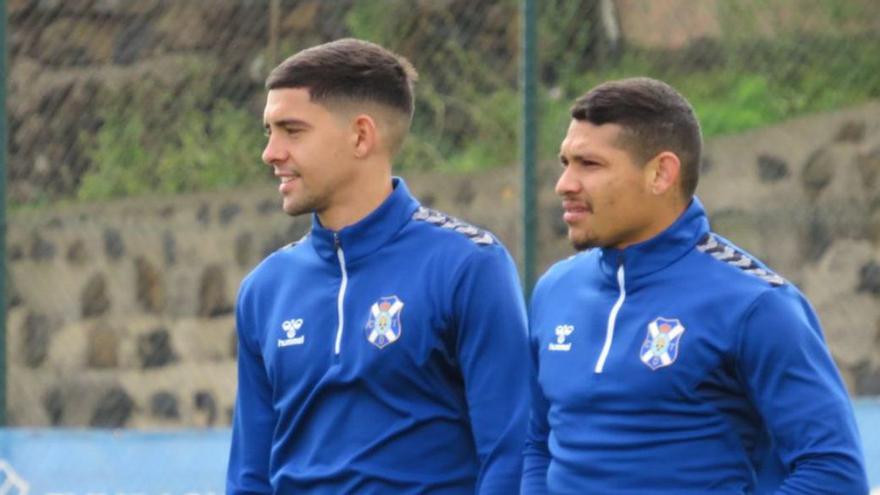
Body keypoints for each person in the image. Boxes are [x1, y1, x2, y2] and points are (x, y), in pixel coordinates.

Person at [521, 77, 868, 494]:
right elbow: (538, 444)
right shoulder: (554, 290)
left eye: (589, 165)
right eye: (565, 163)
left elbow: (833, 474)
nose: (565, 185)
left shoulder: (755, 305)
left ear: (661, 173)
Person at [226, 38, 530, 494]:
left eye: (291, 130)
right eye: (268, 131)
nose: (270, 152)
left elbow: (510, 456)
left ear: (361, 136)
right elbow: (250, 475)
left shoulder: (468, 266)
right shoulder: (265, 289)